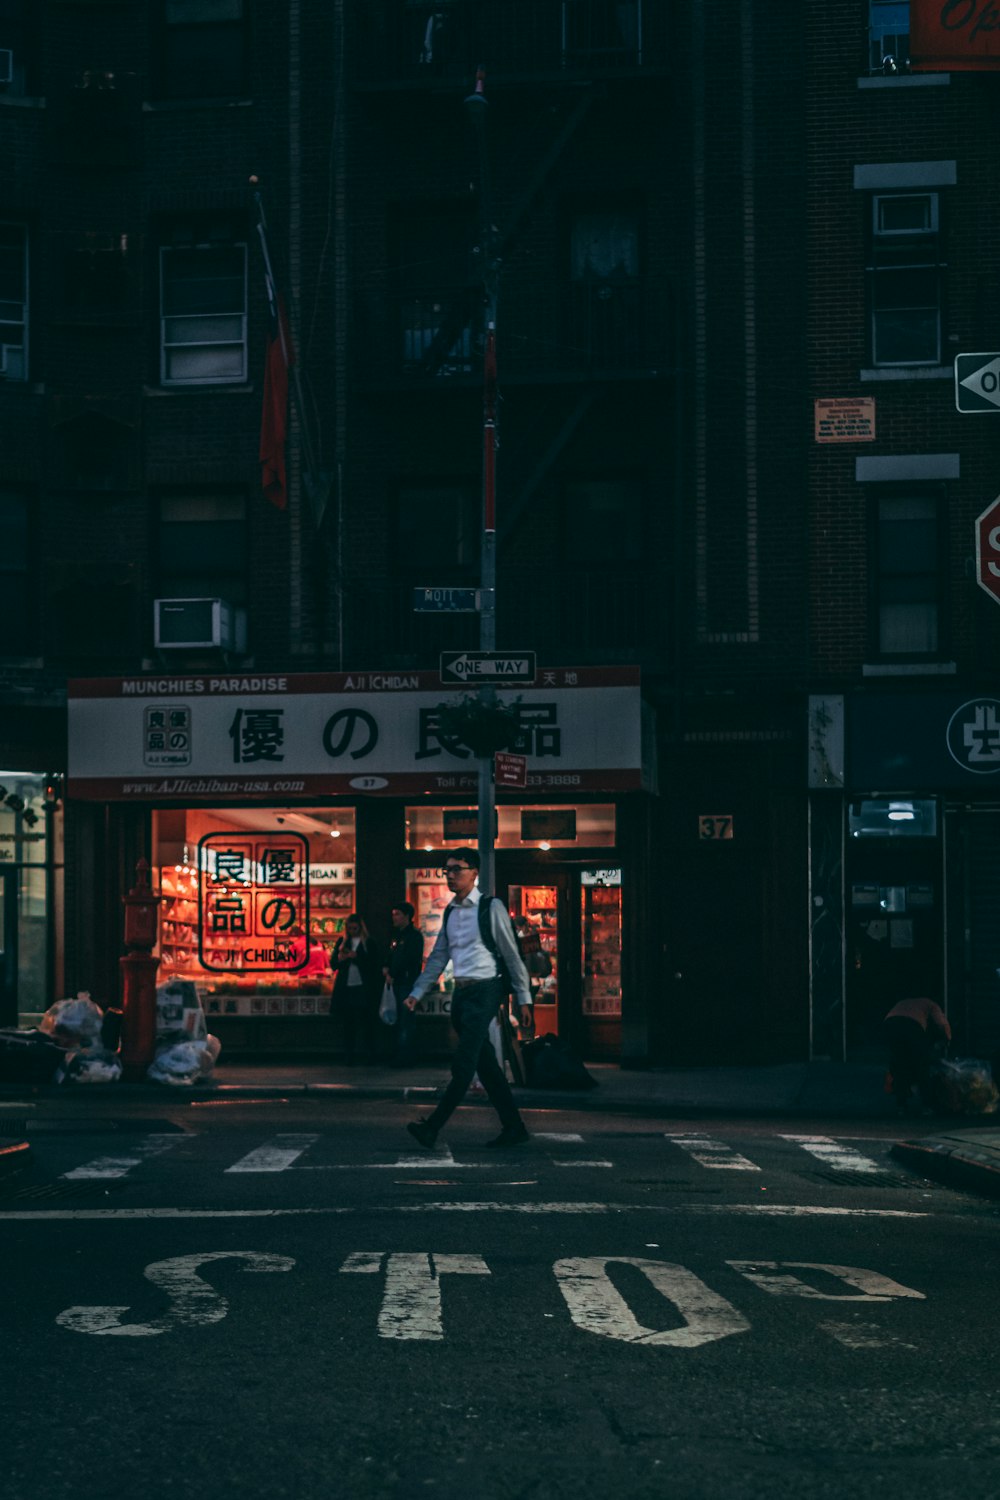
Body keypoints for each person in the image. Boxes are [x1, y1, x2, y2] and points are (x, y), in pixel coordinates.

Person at [403, 849, 533, 1149]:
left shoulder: (491, 907)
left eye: (456, 869)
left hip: (486, 990)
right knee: (486, 1065)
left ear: (474, 873)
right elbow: (439, 956)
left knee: (464, 1063)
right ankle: (514, 1127)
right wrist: (417, 993)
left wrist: (523, 999)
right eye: (446, 869)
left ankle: (432, 1127)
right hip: (461, 993)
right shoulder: (450, 911)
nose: (449, 874)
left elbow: (512, 955)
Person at [883, 994, 951, 1114]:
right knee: (922, 1067)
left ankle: (901, 1105)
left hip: (890, 1025)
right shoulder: (931, 1004)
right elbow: (941, 1024)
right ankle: (927, 1106)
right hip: (912, 1027)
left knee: (900, 1066)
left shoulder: (904, 1001)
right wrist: (947, 1039)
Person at [331, 913, 379, 1065]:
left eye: (355, 928)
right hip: (346, 988)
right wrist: (341, 959)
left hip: (363, 988)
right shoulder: (342, 942)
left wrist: (356, 957)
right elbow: (333, 964)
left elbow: (373, 964)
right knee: (348, 1023)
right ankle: (349, 1054)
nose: (352, 931)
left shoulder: (368, 943)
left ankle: (370, 1053)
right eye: (349, 928)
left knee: (367, 1022)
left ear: (360, 928)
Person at [383, 901, 424, 1066]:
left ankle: (405, 1056)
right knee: (399, 1019)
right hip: (397, 982)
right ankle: (399, 1053)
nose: (394, 917)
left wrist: (392, 972)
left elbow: (408, 960)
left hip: (407, 982)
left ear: (407, 916)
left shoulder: (413, 936)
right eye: (393, 914)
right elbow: (391, 955)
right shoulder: (397, 935)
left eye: (397, 914)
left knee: (405, 1021)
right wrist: (386, 967)